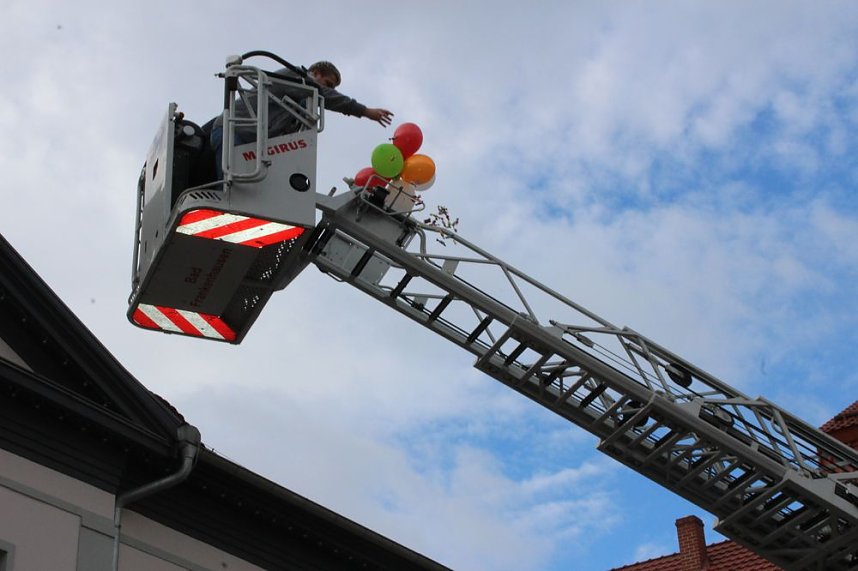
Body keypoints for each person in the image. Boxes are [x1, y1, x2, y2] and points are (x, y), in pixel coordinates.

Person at [210, 60, 393, 179]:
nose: (330, 90)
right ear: (315, 73)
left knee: (248, 186)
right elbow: (322, 93)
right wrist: (365, 111)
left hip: (251, 140)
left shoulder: (296, 108)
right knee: (231, 187)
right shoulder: (295, 77)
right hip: (233, 131)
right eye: (328, 83)